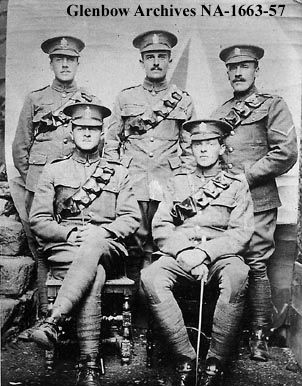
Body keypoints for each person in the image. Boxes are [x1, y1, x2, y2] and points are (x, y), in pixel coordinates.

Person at [28, 103, 141, 386]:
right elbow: (38, 219)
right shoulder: (55, 171)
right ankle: (89, 364)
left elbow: (131, 219)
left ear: (102, 132)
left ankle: (53, 320)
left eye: (93, 128)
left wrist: (101, 231)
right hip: (68, 247)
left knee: (95, 250)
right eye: (81, 128)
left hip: (109, 246)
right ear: (71, 130)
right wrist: (68, 231)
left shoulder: (117, 173)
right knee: (95, 273)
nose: (87, 133)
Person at [141, 119, 254, 386]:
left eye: (209, 144)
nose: (203, 150)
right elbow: (161, 226)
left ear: (221, 147)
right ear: (191, 149)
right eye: (198, 144)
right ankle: (186, 360)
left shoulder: (236, 184)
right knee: (151, 276)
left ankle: (214, 364)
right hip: (181, 254)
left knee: (237, 275)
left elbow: (241, 233)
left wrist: (205, 253)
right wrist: (185, 253)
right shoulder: (176, 183)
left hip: (219, 256)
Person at [211, 45, 297, 361]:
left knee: (257, 262)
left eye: (245, 66)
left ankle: (259, 336)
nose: (238, 72)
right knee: (228, 261)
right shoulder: (220, 114)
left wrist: (245, 178)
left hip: (258, 199)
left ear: (256, 69)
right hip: (224, 203)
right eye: (232, 68)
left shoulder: (272, 105)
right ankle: (226, 334)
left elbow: (285, 153)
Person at [12, 35, 97, 315]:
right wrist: (36, 180)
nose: (64, 64)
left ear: (78, 63)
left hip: (76, 185)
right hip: (40, 184)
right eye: (59, 59)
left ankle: (73, 312)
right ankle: (43, 314)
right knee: (43, 248)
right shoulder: (35, 99)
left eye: (70, 59)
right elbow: (21, 147)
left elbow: (97, 148)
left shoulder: (89, 101)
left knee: (74, 242)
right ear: (51, 63)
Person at [103, 30, 195, 269]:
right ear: (141, 61)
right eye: (150, 56)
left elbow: (190, 147)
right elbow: (111, 141)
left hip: (168, 183)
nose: (156, 62)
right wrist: (119, 176)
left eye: (161, 56)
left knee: (165, 244)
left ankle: (157, 303)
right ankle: (131, 305)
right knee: (133, 246)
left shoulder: (183, 100)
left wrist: (181, 181)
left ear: (169, 60)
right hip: (134, 183)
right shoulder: (125, 98)